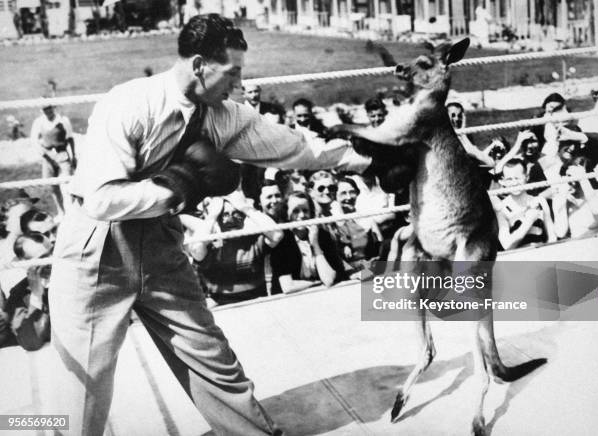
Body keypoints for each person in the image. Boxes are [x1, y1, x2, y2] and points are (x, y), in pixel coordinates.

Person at [47, 14, 371, 436]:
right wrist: (179, 187)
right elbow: (101, 199)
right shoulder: (129, 103)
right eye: (232, 71)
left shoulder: (221, 115)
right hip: (96, 250)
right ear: (199, 64)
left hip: (161, 244)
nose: (239, 82)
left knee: (211, 357)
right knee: (82, 390)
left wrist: (376, 157)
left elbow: (297, 147)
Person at [185, 192, 283, 305]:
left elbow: (277, 235)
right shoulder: (211, 246)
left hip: (258, 304)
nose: (231, 220)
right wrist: (212, 215)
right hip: (223, 307)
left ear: (244, 217)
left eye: (236, 213)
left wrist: (246, 208)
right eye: (224, 215)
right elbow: (196, 249)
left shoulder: (254, 240)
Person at [269, 192, 346, 294]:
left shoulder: (323, 236)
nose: (302, 215)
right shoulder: (282, 241)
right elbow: (288, 286)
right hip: (290, 299)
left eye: (305, 210)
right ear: (286, 214)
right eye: (296, 211)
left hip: (321, 294)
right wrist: (315, 282)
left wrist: (315, 244)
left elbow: (328, 280)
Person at [494, 159, 556, 250]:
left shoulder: (540, 201)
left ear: (526, 177)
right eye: (509, 179)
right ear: (504, 181)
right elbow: (507, 245)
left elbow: (552, 237)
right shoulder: (501, 209)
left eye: (517, 178)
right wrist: (529, 221)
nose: (514, 183)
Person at [30, 99, 76, 216]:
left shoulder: (63, 120)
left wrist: (73, 156)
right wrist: (46, 154)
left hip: (62, 154)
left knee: (67, 184)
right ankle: (61, 212)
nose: (47, 111)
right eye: (45, 109)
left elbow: (70, 138)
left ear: (53, 107)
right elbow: (34, 142)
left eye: (49, 108)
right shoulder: (39, 122)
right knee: (52, 186)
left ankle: (72, 212)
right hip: (48, 157)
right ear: (41, 110)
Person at [552, 156, 598, 239]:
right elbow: (560, 232)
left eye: (573, 177)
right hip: (576, 246)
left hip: (596, 244)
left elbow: (596, 209)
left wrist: (581, 178)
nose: (570, 181)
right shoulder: (562, 199)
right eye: (568, 176)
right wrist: (562, 197)